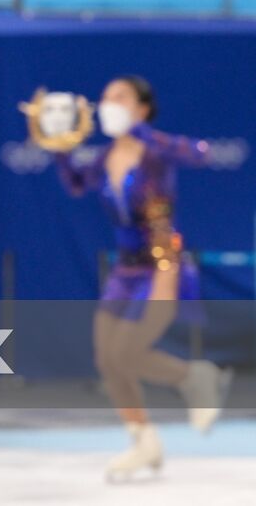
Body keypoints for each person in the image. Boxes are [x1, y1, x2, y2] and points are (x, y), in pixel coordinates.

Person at [50, 74, 230, 481]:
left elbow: (201, 153)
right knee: (108, 360)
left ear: (142, 108)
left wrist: (142, 132)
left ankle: (195, 377)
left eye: (121, 97)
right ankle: (143, 441)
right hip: (126, 269)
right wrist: (61, 149)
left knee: (128, 353)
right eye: (106, 96)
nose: (109, 103)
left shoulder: (156, 151)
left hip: (163, 264)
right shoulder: (105, 157)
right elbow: (77, 184)